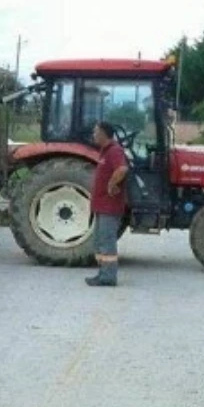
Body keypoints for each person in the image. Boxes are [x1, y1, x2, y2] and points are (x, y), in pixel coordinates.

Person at [86, 121, 129, 287]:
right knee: (100, 241)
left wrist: (112, 184)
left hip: (110, 207)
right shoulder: (105, 151)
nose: (93, 134)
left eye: (96, 131)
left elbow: (122, 169)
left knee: (106, 241)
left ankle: (108, 277)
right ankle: (103, 273)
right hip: (102, 206)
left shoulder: (114, 151)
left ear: (104, 133)